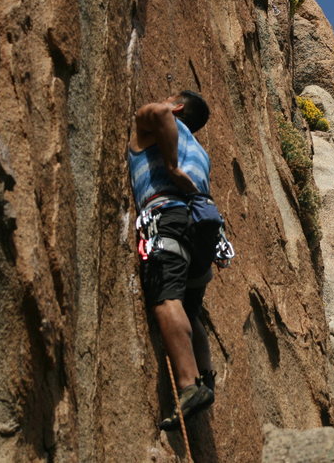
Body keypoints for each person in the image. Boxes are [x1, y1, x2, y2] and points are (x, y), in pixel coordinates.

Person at [127, 90, 217, 430]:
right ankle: (206, 375)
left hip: (166, 217)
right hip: (200, 230)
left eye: (170, 98)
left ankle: (189, 385)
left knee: (167, 299)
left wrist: (170, 165)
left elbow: (154, 112)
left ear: (178, 107)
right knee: (190, 310)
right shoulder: (201, 152)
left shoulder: (166, 128)